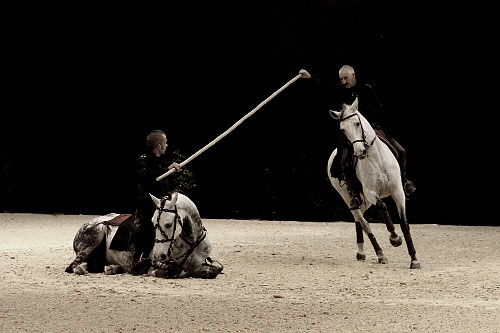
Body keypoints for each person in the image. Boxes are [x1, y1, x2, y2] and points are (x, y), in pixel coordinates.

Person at [299, 66, 416, 210]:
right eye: (341, 79)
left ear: (353, 75)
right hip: (352, 135)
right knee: (344, 160)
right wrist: (310, 78)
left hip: (371, 130)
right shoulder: (341, 91)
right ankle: (354, 193)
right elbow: (325, 89)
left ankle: (404, 181)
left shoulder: (366, 89)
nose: (343, 81)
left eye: (345, 78)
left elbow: (379, 108)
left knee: (401, 151)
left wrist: (376, 127)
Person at [132, 129, 181, 272]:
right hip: (148, 205)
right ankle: (140, 258)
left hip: (165, 204)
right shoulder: (142, 161)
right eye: (165, 143)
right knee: (147, 228)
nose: (167, 145)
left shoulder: (164, 162)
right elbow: (148, 178)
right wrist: (167, 168)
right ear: (159, 146)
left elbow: (170, 185)